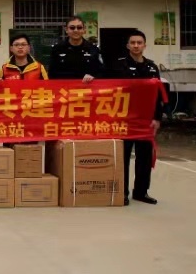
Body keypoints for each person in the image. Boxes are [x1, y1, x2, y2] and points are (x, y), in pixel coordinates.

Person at [112, 29, 164, 206]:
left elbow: (158, 95)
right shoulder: (118, 66)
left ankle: (141, 192)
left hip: (145, 121)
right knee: (123, 158)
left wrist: (157, 118)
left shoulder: (152, 67)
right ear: (127, 45)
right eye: (133, 43)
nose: (136, 46)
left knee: (144, 158)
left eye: (139, 43)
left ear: (144, 45)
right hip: (124, 120)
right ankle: (122, 193)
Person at [48, 15, 103, 82]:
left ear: (84, 29)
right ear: (66, 30)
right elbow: (51, 74)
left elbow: (102, 72)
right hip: (64, 87)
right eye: (72, 28)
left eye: (79, 27)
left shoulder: (93, 49)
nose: (76, 30)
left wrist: (93, 77)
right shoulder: (57, 49)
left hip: (87, 87)